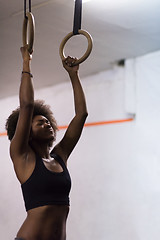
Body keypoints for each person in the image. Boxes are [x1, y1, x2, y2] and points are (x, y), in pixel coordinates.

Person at [5, 45, 88, 240]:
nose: (47, 124)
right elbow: (26, 105)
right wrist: (26, 61)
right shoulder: (22, 156)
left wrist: (74, 75)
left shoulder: (60, 157)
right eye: (39, 123)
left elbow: (81, 115)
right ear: (28, 132)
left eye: (48, 121)